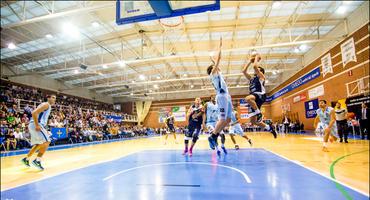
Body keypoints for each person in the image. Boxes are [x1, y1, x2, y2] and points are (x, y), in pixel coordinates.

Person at [206, 37, 234, 154]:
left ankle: (215, 134)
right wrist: (220, 47)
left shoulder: (218, 74)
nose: (217, 68)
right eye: (215, 67)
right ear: (212, 70)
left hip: (227, 96)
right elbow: (218, 61)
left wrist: (212, 59)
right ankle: (212, 136)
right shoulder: (213, 74)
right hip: (221, 96)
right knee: (222, 118)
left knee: (228, 119)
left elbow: (217, 64)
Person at [242, 51, 277, 138]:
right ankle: (270, 128)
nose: (257, 69)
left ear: (261, 72)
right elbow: (243, 71)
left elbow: (254, 66)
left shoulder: (261, 76)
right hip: (254, 97)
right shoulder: (251, 79)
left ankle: (259, 113)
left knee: (247, 99)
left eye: (258, 69)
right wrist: (250, 61)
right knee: (254, 122)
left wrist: (257, 57)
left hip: (260, 95)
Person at [21, 94, 56, 170]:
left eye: (55, 98)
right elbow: (34, 113)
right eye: (53, 97)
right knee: (47, 141)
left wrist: (43, 128)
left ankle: (26, 159)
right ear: (48, 98)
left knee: (39, 144)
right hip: (36, 124)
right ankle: (37, 160)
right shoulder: (46, 104)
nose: (54, 99)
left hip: (34, 124)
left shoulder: (46, 105)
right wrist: (37, 125)